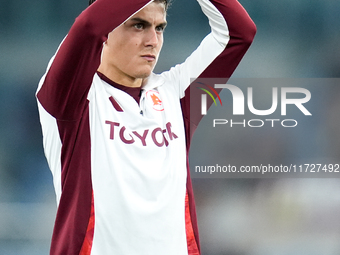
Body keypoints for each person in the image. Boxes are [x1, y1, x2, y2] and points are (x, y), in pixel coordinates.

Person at [36, 0, 256, 254]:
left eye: (160, 28)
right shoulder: (73, 97)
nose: (153, 40)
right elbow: (89, 26)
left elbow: (239, 33)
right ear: (107, 32)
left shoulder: (178, 94)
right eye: (139, 25)